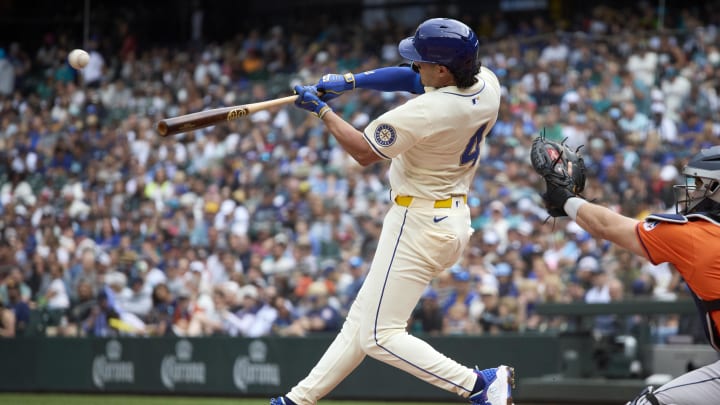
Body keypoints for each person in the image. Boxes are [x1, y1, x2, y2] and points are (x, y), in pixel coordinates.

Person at [271, 18, 513, 405]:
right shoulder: (487, 84)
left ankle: (477, 384)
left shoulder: (428, 110)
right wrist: (352, 81)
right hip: (449, 217)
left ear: (443, 69)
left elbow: (365, 152)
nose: (415, 66)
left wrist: (321, 111)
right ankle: (296, 401)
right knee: (363, 320)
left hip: (417, 222)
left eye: (422, 61)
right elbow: (413, 78)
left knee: (379, 334)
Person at [536, 145, 720, 404]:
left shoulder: (697, 235)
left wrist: (564, 197)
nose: (691, 191)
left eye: (700, 183)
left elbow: (606, 226)